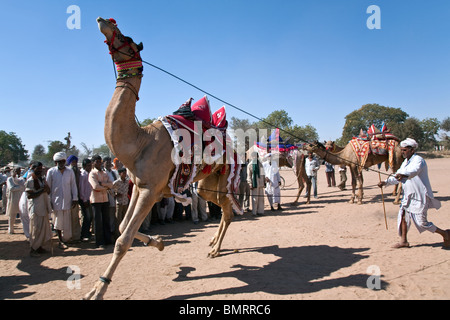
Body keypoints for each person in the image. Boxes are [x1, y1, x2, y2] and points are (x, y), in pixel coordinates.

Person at [378, 138, 449, 249]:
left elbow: (413, 171)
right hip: (408, 195)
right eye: (402, 150)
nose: (402, 152)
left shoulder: (418, 160)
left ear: (412, 150)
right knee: (403, 217)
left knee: (422, 223)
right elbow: (397, 176)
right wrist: (386, 182)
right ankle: (403, 241)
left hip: (419, 196)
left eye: (405, 150)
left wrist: (403, 175)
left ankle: (445, 234)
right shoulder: (405, 163)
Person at [46, 152, 78, 249]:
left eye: (63, 161)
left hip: (68, 200)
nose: (61, 163)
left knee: (67, 222)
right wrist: (49, 201)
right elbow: (48, 187)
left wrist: (75, 198)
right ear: (55, 162)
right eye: (59, 162)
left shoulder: (69, 171)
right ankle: (60, 241)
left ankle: (66, 239)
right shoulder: (51, 172)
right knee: (58, 222)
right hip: (56, 201)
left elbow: (73, 185)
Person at [25, 162, 53, 257]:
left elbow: (48, 191)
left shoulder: (42, 180)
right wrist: (42, 190)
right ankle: (33, 249)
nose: (40, 170)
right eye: (38, 169)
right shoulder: (30, 180)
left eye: (41, 168)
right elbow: (29, 195)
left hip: (43, 207)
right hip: (35, 208)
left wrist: (46, 188)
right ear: (33, 169)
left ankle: (39, 247)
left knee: (43, 229)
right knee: (36, 229)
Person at [89, 154, 113, 248]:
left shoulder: (104, 173)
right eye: (97, 162)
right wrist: (106, 187)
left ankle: (107, 239)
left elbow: (111, 184)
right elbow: (95, 187)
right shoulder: (92, 174)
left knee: (106, 220)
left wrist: (102, 184)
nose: (99, 163)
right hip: (96, 200)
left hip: (105, 199)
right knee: (98, 221)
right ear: (93, 163)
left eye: (100, 162)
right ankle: (99, 242)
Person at [6, 167, 25, 234]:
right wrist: (20, 187)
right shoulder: (9, 179)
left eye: (19, 171)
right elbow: (11, 188)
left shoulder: (21, 179)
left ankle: (25, 229)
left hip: (20, 198)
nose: (17, 172)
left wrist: (20, 188)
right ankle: (11, 229)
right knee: (12, 215)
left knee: (23, 214)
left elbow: (24, 187)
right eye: (16, 171)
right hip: (13, 199)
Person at [67, 155, 81, 242]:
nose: (74, 164)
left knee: (75, 217)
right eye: (73, 162)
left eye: (75, 162)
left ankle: (76, 236)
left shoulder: (77, 171)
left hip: (76, 197)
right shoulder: (68, 171)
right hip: (68, 197)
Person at [79, 158, 93, 242]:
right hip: (85, 199)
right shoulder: (83, 175)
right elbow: (81, 188)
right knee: (87, 217)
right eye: (88, 166)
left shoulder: (89, 174)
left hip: (89, 198)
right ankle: (84, 234)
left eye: (90, 165)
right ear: (84, 166)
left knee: (89, 217)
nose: (90, 167)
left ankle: (87, 232)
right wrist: (84, 200)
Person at [113, 167, 130, 237]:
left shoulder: (127, 182)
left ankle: (125, 234)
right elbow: (110, 189)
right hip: (119, 203)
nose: (125, 174)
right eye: (123, 173)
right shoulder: (116, 182)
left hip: (125, 202)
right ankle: (117, 235)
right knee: (118, 219)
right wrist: (115, 195)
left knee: (125, 219)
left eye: (125, 173)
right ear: (120, 174)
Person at [247, 151, 265, 216]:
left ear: (257, 157)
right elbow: (248, 176)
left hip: (260, 182)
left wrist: (264, 182)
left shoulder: (260, 164)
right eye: (253, 156)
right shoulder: (250, 165)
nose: (254, 157)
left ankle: (260, 211)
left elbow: (263, 174)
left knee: (261, 198)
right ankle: (254, 212)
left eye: (255, 156)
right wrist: (250, 183)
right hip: (254, 183)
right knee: (254, 198)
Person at [104, 157, 118, 239]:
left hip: (113, 196)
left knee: (113, 215)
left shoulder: (113, 173)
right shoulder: (103, 172)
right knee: (107, 216)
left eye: (109, 162)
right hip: (106, 196)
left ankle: (112, 231)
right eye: (107, 162)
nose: (109, 164)